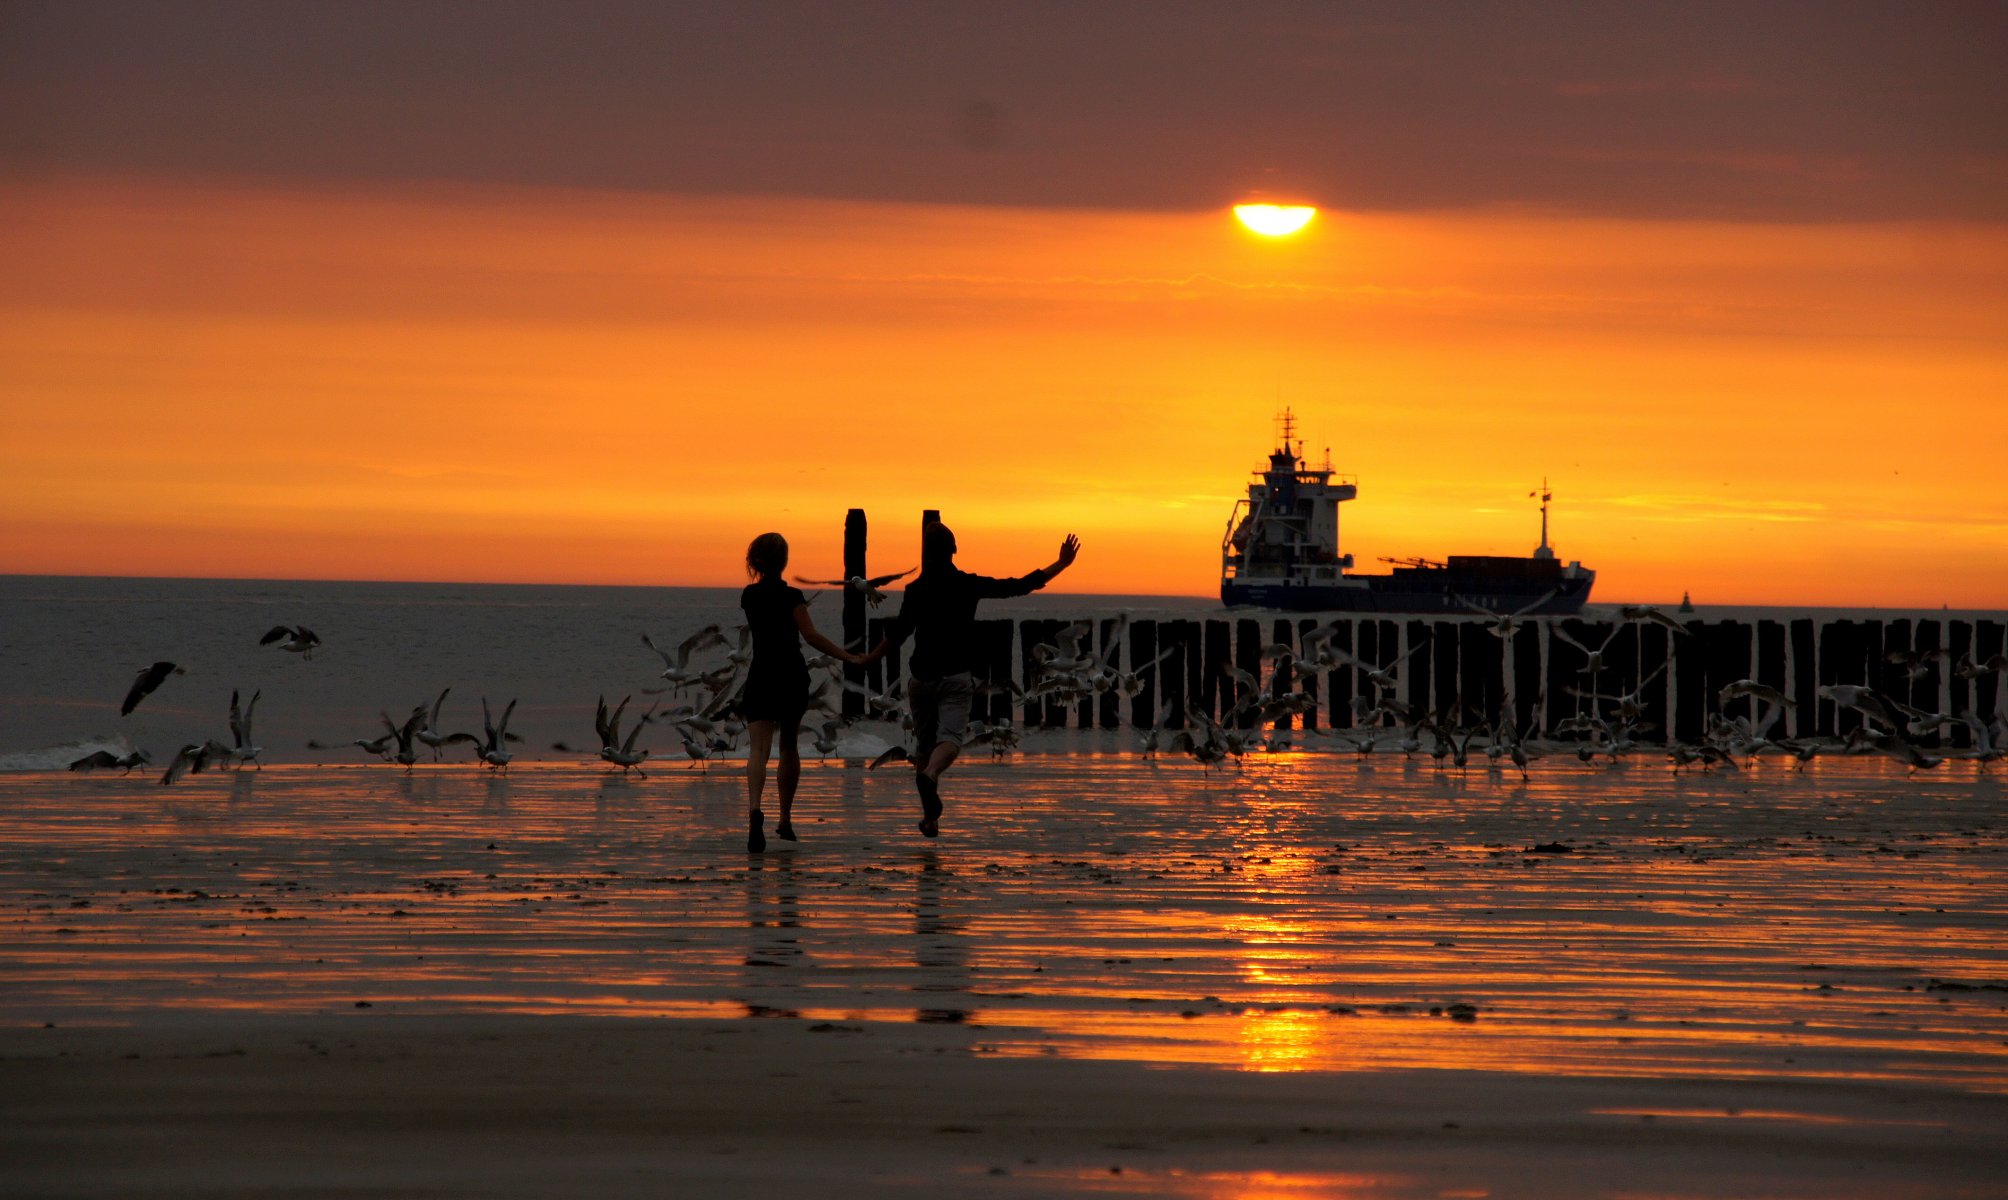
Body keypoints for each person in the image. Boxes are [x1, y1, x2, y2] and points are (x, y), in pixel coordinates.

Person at [862, 523, 1079, 837]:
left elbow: (899, 634)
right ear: (954, 550)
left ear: (926, 553)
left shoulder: (915, 590)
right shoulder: (968, 584)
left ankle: (930, 819)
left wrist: (867, 659)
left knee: (923, 745)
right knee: (949, 738)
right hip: (955, 676)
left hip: (921, 677)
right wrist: (1060, 564)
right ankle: (933, 775)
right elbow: (1016, 586)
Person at [741, 532, 866, 853]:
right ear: (784, 561)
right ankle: (784, 818)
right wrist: (847, 655)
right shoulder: (793, 596)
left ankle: (755, 810)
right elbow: (810, 636)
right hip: (790, 675)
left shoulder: (749, 596)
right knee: (788, 747)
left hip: (761, 674)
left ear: (755, 561)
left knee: (758, 750)